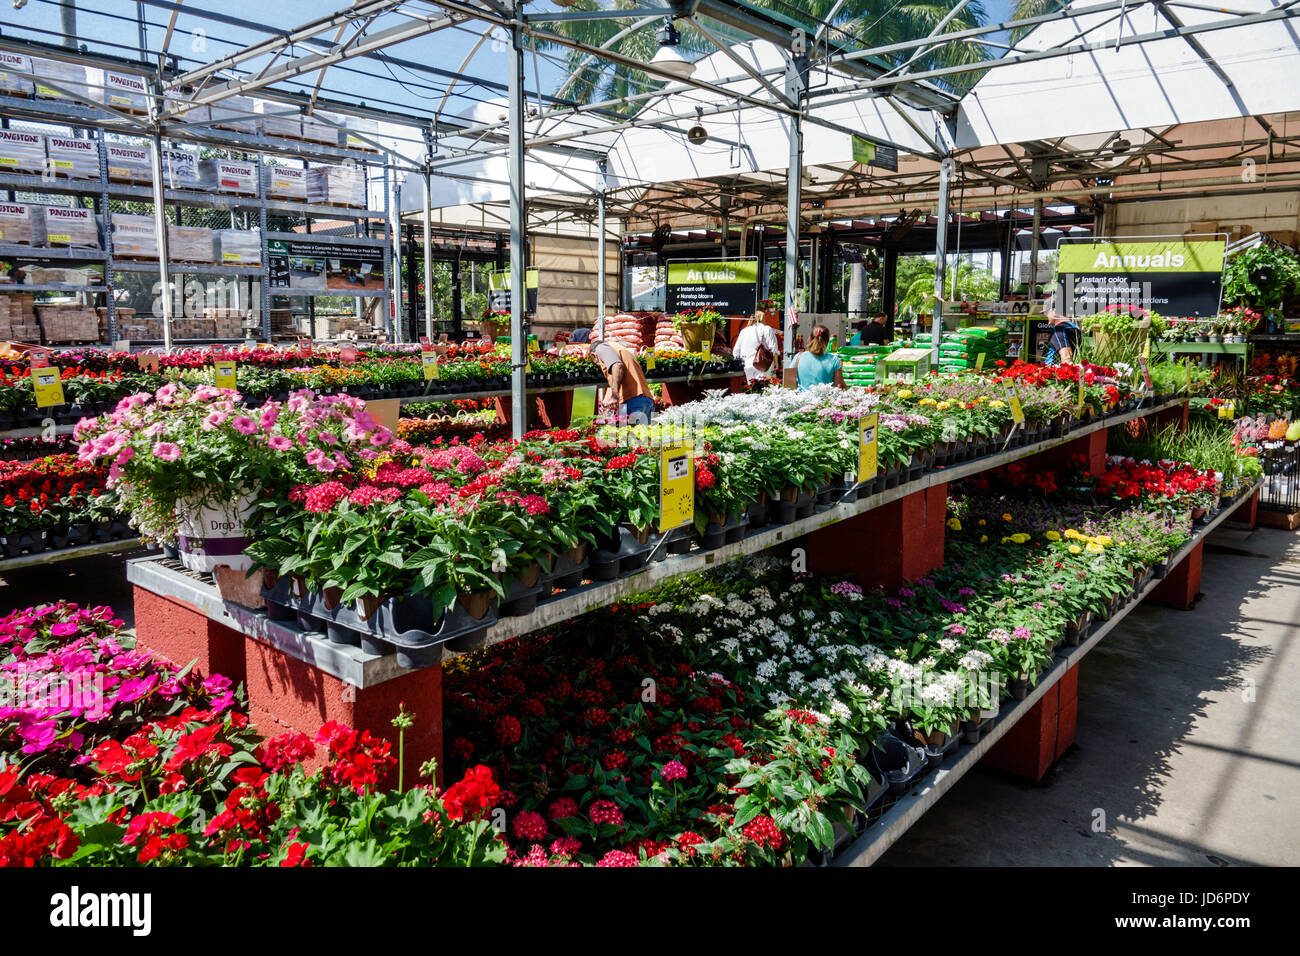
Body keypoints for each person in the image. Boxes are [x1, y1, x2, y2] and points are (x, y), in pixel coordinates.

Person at [590, 339, 655, 423]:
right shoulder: (618, 348)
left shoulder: (601, 348)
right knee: (643, 435)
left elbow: (617, 365)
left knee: (629, 435)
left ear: (593, 355)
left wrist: (614, 395)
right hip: (645, 399)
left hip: (632, 400)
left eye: (597, 362)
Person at [794, 324, 846, 391]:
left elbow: (788, 383)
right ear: (827, 341)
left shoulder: (798, 357)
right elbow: (838, 387)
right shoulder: (834, 360)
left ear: (809, 339)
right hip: (825, 400)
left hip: (802, 400)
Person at [733, 313, 780, 382]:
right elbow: (773, 349)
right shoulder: (767, 329)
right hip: (763, 365)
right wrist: (776, 363)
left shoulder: (744, 331)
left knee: (751, 389)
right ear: (762, 319)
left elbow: (736, 352)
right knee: (764, 390)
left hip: (747, 365)